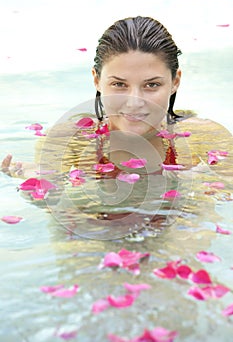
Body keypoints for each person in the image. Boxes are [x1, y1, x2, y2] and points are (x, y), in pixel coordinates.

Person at [1, 16, 232, 239]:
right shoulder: (69, 142)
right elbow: (61, 220)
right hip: (94, 246)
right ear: (96, 80)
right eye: (119, 84)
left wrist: (193, 189)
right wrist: (35, 191)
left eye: (152, 85)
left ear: (175, 82)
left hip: (178, 242)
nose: (134, 101)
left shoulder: (207, 141)